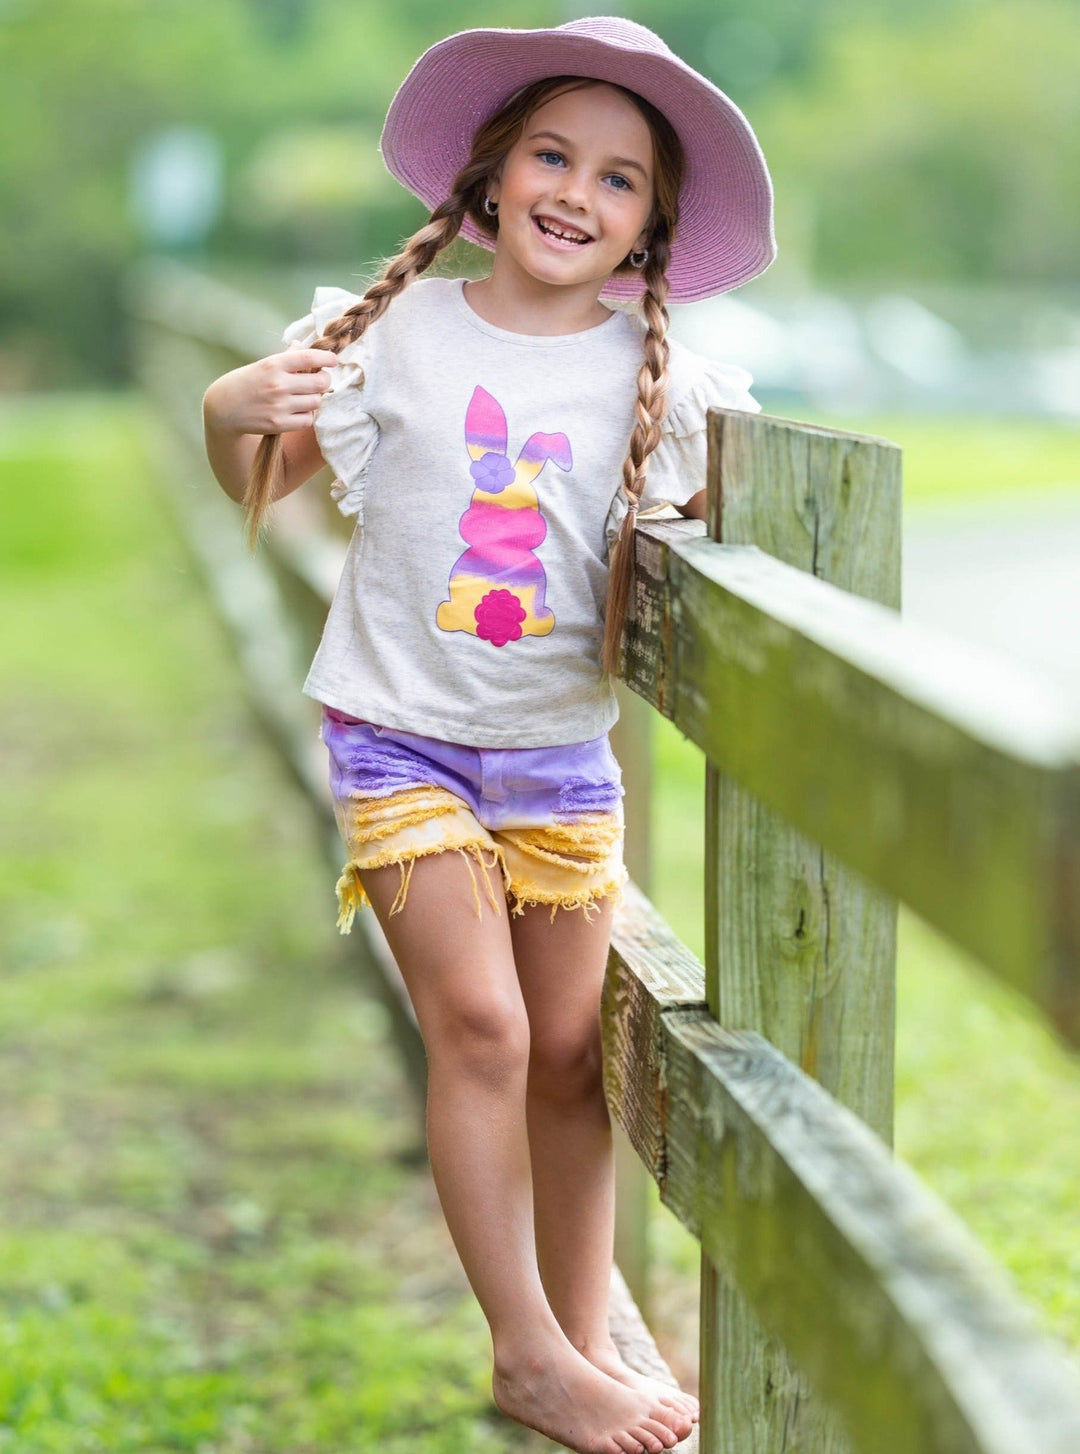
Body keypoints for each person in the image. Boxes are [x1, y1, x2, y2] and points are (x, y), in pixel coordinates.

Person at [202, 16, 774, 1453]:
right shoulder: (397, 332)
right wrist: (225, 409)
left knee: (571, 1056)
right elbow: (258, 463)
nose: (579, 191)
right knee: (482, 1025)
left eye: (621, 177)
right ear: (490, 175)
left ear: (654, 223)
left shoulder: (668, 383)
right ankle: (524, 1348)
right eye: (552, 155)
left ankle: (581, 1345)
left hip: (558, 762)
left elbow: (749, 538)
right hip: (399, 738)